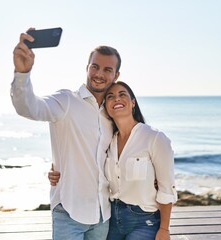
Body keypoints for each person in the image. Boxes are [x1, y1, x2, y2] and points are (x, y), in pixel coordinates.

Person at [11, 28, 121, 239]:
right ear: (87, 68)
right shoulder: (66, 101)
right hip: (68, 212)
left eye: (107, 70)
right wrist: (22, 74)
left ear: (116, 75)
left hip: (103, 215)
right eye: (95, 67)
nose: (99, 74)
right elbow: (29, 107)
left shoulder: (114, 113)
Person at [50, 81, 178, 240]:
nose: (116, 99)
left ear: (133, 103)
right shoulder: (108, 141)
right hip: (112, 219)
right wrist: (57, 170)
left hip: (144, 221)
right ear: (106, 108)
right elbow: (88, 163)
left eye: (122, 94)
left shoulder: (154, 138)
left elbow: (167, 189)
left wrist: (164, 229)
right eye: (110, 97)